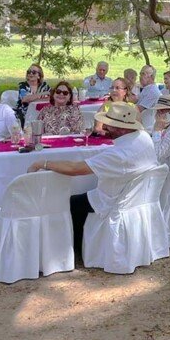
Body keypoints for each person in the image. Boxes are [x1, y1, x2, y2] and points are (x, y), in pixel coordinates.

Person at [26, 103, 157, 254]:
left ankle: (72, 250)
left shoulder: (118, 154)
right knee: (82, 194)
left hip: (112, 199)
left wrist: (43, 163)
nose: (105, 127)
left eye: (109, 125)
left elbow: (74, 169)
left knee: (70, 202)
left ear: (120, 129)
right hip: (136, 196)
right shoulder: (144, 137)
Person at [136, 65, 162, 131]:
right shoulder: (147, 88)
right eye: (140, 74)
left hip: (147, 130)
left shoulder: (152, 91)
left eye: (143, 74)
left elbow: (138, 109)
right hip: (142, 127)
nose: (140, 77)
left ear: (151, 77)